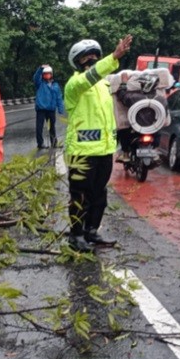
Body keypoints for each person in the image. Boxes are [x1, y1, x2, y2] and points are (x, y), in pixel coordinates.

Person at [64, 34, 133, 253]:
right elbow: (91, 76)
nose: (93, 60)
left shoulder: (104, 86)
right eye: (88, 58)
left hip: (104, 150)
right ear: (78, 62)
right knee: (80, 196)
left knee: (99, 195)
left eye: (95, 56)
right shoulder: (75, 85)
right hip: (82, 151)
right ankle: (76, 235)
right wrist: (114, 57)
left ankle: (91, 231)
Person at [109, 70, 170, 162]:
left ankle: (125, 154)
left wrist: (124, 82)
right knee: (159, 132)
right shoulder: (162, 100)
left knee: (123, 131)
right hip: (153, 130)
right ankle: (155, 151)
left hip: (136, 129)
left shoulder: (135, 97)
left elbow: (121, 94)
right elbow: (165, 115)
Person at [33, 65, 65, 149]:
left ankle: (54, 143)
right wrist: (40, 68)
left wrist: (60, 109)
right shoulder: (40, 84)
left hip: (51, 109)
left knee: (52, 127)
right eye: (45, 74)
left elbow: (59, 97)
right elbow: (36, 78)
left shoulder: (55, 85)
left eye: (48, 74)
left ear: (51, 74)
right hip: (41, 109)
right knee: (39, 127)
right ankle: (40, 143)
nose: (47, 75)